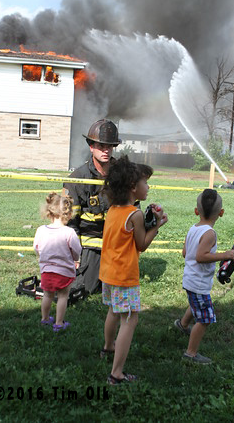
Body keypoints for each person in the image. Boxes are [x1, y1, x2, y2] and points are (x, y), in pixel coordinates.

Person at [99, 156, 168, 385]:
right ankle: (116, 374)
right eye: (145, 183)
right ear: (132, 187)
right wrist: (157, 225)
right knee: (130, 319)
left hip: (108, 272)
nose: (148, 187)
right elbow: (141, 245)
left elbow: (123, 237)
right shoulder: (135, 214)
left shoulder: (113, 209)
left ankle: (108, 347)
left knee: (113, 312)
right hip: (125, 275)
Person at [174, 189, 234, 364]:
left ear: (197, 211)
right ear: (221, 213)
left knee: (195, 303)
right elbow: (200, 257)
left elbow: (185, 253)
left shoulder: (193, 228)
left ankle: (183, 325)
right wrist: (224, 255)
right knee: (205, 319)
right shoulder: (209, 233)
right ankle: (191, 353)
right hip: (198, 282)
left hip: (190, 279)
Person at [63, 119, 121, 296]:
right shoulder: (77, 179)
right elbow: (71, 223)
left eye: (110, 146)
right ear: (91, 146)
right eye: (101, 145)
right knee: (87, 288)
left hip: (118, 243)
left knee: (116, 285)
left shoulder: (123, 174)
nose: (106, 150)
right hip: (92, 244)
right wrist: (74, 256)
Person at [33, 192, 82, 332]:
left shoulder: (41, 230)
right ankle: (59, 323)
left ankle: (45, 319)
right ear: (68, 214)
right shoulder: (69, 232)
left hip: (47, 270)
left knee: (47, 295)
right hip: (64, 271)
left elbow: (36, 248)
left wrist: (43, 257)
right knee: (63, 296)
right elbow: (76, 250)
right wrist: (75, 259)